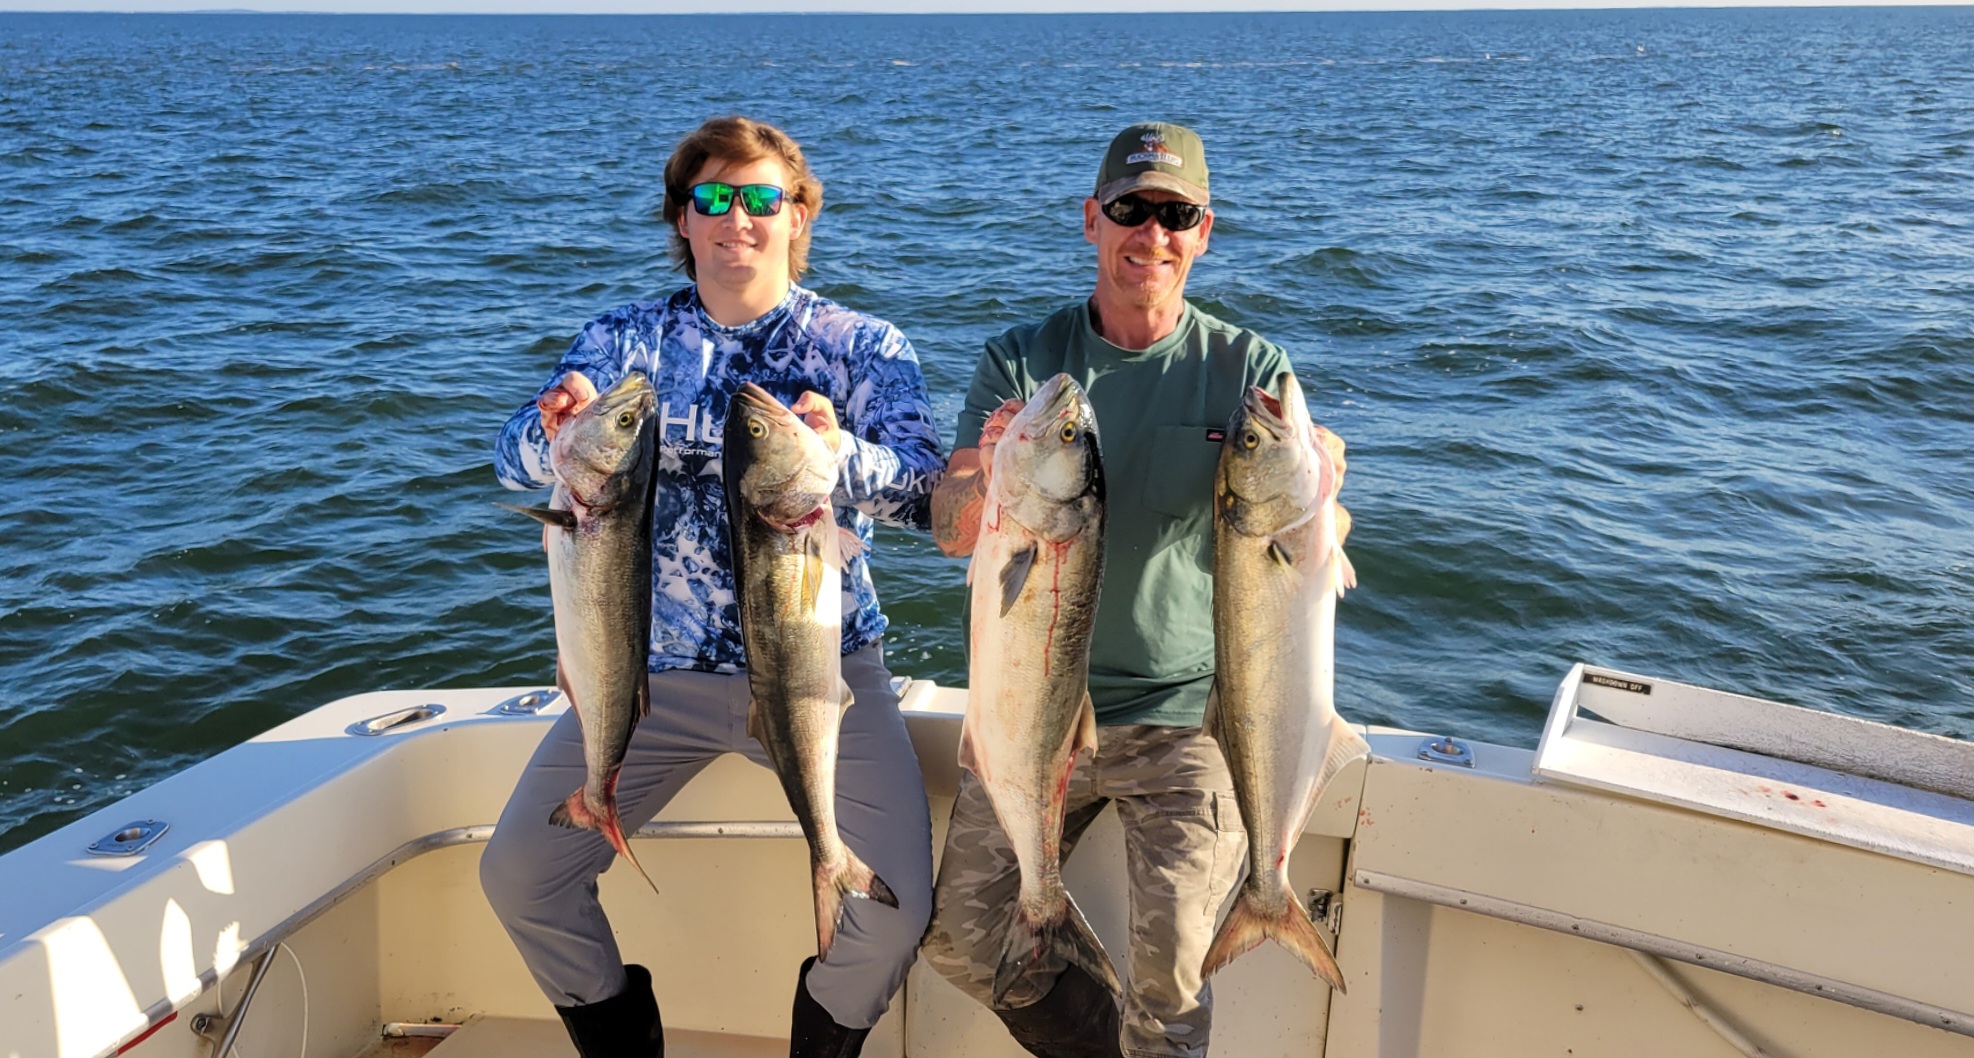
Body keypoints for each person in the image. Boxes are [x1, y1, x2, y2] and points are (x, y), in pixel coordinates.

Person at [481, 116, 943, 1058]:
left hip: (824, 675)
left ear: (799, 216)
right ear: (682, 219)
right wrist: (552, 427)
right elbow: (511, 462)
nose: (739, 217)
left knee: (895, 912)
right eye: (715, 198)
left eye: (763, 196)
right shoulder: (623, 339)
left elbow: (929, 498)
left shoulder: (863, 345)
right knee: (520, 874)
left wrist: (839, 457)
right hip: (647, 676)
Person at [924, 122, 1327, 1058]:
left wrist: (1326, 496)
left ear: (1204, 232)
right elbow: (951, 532)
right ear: (1091, 221)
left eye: (1175, 215)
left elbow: (1309, 525)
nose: (1152, 233)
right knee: (961, 943)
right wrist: (989, 477)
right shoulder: (1024, 361)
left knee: (1173, 979)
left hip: (1188, 720)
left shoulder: (1248, 372)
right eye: (1130, 209)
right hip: (1030, 716)